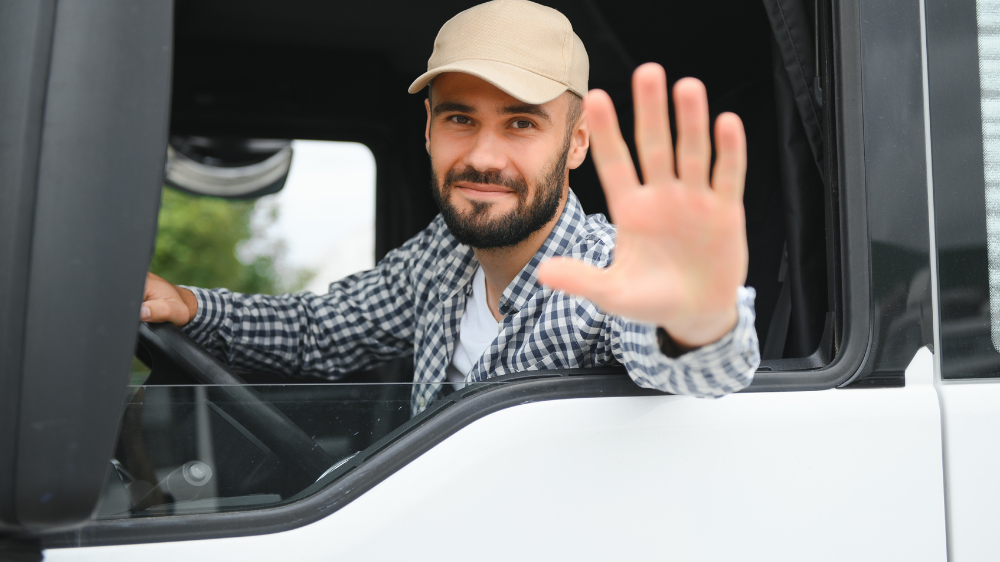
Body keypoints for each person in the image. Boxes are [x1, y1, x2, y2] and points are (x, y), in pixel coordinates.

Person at [140, 0, 760, 413]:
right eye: (461, 118)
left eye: (521, 123)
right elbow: (321, 332)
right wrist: (191, 306)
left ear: (575, 144)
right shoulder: (444, 252)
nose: (484, 156)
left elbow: (705, 374)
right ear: (430, 130)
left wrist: (699, 321)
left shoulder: (612, 274)